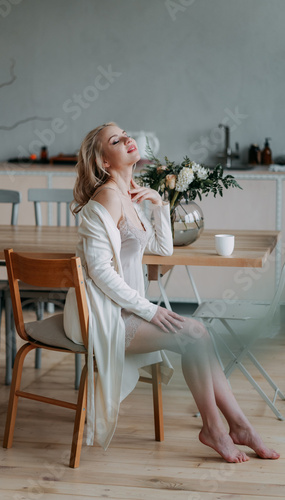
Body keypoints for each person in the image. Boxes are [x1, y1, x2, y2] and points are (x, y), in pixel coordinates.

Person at [64, 122, 280, 463]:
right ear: (104, 162)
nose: (128, 140)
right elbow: (98, 270)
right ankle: (217, 429)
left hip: (125, 308)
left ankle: (237, 426)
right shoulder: (107, 197)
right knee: (194, 334)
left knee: (199, 332)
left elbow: (162, 250)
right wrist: (150, 310)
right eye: (116, 140)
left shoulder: (129, 194)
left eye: (126, 134)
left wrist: (159, 203)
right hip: (102, 316)